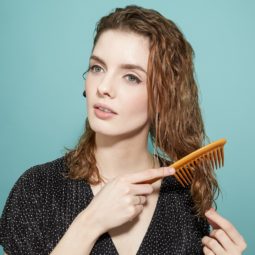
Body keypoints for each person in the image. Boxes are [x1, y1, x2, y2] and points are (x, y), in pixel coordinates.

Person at [0, 5, 246, 255]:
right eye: (97, 68)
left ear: (163, 97)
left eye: (131, 77)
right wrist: (89, 223)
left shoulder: (184, 197)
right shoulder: (37, 189)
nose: (104, 87)